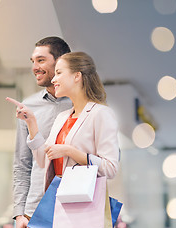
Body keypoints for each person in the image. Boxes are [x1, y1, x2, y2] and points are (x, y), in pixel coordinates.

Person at [7, 51, 119, 198]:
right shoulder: (63, 117)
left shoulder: (100, 114)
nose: (53, 79)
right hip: (58, 203)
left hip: (84, 206)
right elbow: (43, 160)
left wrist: (69, 151)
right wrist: (31, 122)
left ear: (77, 76)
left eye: (59, 73)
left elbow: (110, 169)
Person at [12, 36, 72, 228]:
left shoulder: (84, 105)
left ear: (61, 61)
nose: (34, 67)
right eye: (33, 61)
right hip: (36, 214)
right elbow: (22, 164)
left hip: (75, 211)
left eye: (41, 60)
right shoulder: (28, 107)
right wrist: (20, 212)